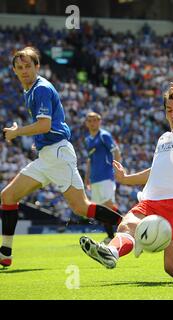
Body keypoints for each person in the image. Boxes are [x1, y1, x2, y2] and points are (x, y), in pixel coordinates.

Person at [79, 82, 173, 280]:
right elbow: (155, 171)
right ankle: (110, 253)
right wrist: (126, 178)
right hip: (151, 202)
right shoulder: (164, 138)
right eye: (169, 110)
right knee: (127, 225)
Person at [0, 47, 121, 267]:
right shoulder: (31, 90)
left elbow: (45, 125)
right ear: (14, 71)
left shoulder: (41, 89)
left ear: (37, 67)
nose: (24, 71)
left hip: (57, 154)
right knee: (8, 196)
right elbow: (45, 126)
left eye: (28, 66)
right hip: (48, 156)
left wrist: (18, 132)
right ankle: (5, 254)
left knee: (81, 207)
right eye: (19, 68)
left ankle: (128, 227)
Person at [84, 112, 122, 244]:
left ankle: (128, 227)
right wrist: (87, 177)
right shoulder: (88, 139)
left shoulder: (104, 136)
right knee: (102, 208)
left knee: (108, 205)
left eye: (95, 120)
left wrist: (116, 170)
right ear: (86, 123)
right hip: (95, 179)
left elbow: (116, 151)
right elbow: (90, 160)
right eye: (90, 120)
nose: (92, 122)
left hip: (106, 176)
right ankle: (111, 236)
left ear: (99, 122)